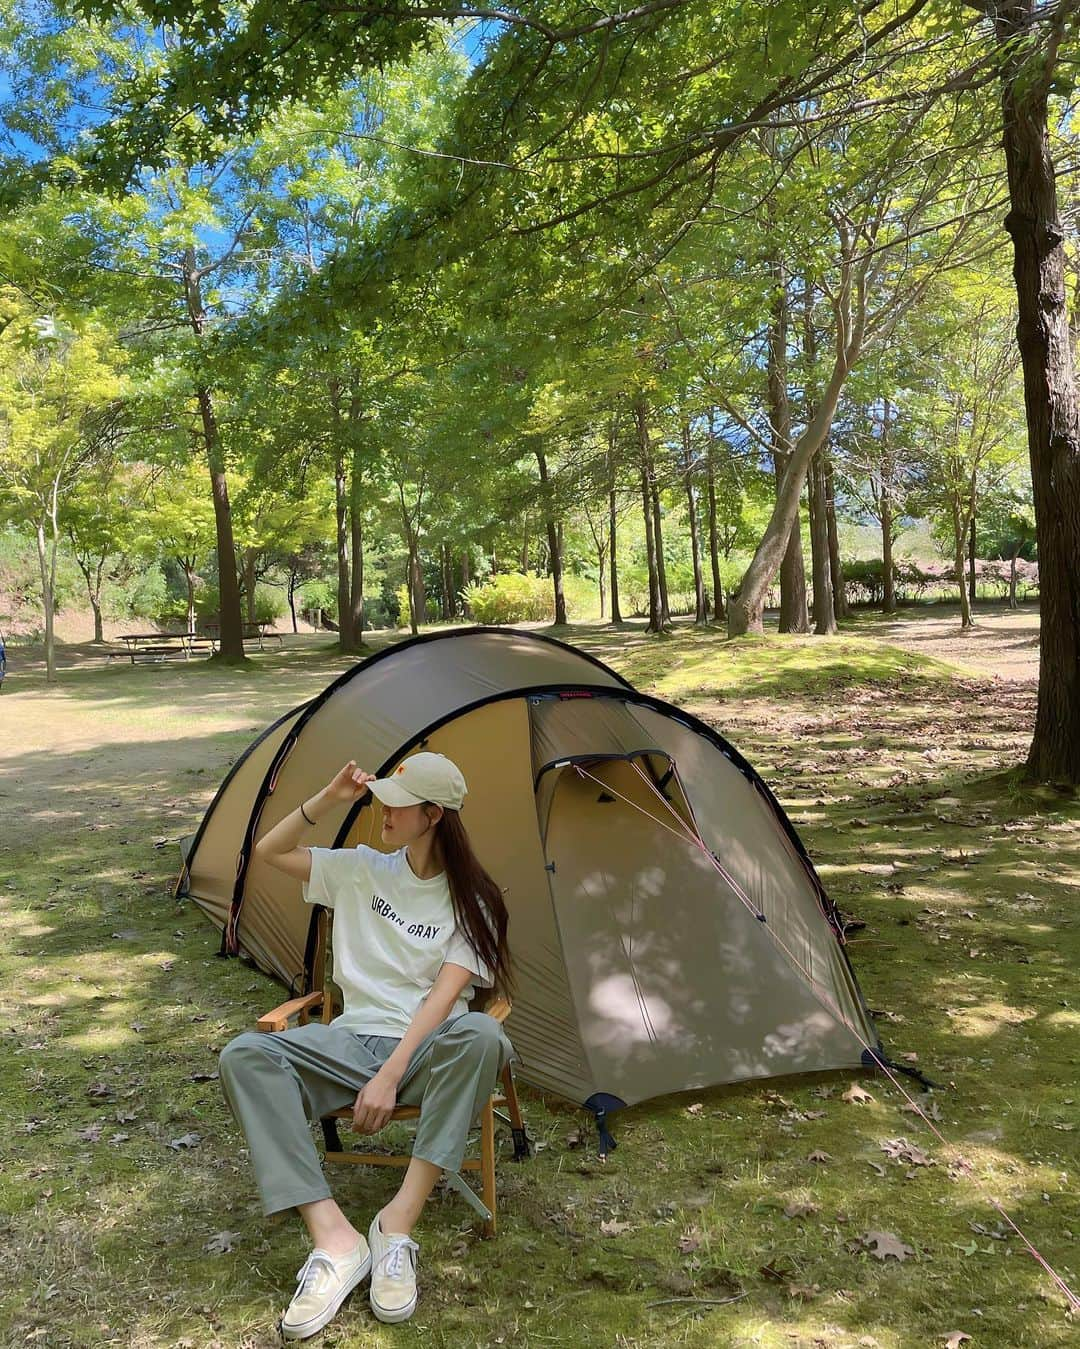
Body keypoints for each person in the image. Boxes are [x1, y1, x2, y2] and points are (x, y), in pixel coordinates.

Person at [218, 751, 513, 1339]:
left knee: (483, 1031)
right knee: (244, 1055)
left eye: (397, 804)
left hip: (429, 1051)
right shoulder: (360, 870)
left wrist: (391, 1072)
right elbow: (266, 853)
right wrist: (328, 799)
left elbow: (442, 1000)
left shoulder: (473, 897)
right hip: (352, 1044)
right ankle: (336, 1238)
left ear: (433, 815)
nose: (383, 809)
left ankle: (395, 1224)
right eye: (382, 797)